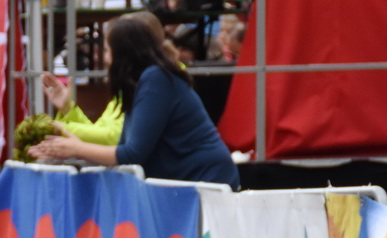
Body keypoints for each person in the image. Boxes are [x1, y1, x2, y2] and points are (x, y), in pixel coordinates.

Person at [27, 14, 237, 187]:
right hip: (185, 183)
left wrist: (73, 146)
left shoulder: (157, 79)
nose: (106, 58)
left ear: (124, 53)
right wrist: (66, 131)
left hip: (206, 182)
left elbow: (132, 153)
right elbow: (118, 146)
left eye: (109, 50)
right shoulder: (141, 83)